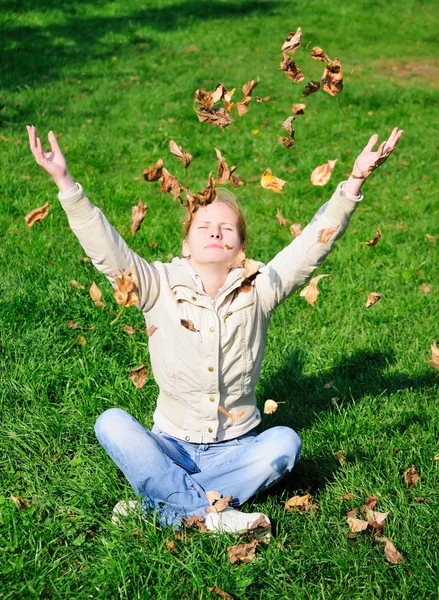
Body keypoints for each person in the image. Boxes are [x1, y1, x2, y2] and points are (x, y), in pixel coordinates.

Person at [26, 125, 403, 533]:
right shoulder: (156, 284)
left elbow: (311, 245)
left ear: (241, 247)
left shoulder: (260, 288)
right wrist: (65, 183)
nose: (215, 230)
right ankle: (212, 513)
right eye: (203, 226)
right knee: (111, 423)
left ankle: (162, 505)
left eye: (227, 228)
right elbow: (107, 249)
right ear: (186, 244)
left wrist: (354, 182)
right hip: (171, 446)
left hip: (237, 448)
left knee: (285, 444)